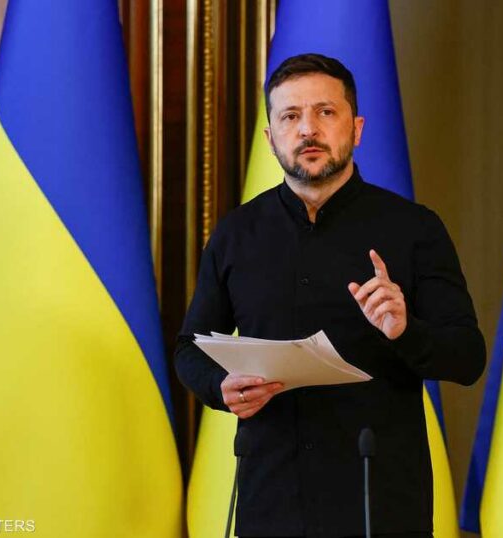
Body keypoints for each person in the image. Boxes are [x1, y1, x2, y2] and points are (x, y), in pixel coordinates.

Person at [174, 53, 486, 538]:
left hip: (379, 500)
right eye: (290, 116)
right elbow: (189, 349)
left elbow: (467, 358)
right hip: (271, 499)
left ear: (356, 129)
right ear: (271, 138)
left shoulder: (414, 229)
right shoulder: (236, 234)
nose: (308, 130)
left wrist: (406, 330)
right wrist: (220, 386)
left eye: (325, 112)